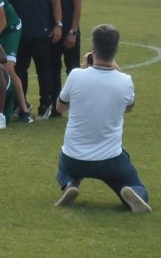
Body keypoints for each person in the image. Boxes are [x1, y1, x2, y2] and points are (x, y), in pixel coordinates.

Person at [54, 24, 151, 214]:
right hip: (110, 161)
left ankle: (70, 183)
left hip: (74, 158)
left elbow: (60, 107)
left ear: (93, 48)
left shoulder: (76, 76)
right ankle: (132, 192)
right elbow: (128, 108)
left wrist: (84, 71)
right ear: (116, 49)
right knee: (138, 186)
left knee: (63, 166)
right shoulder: (125, 81)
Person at [3, 0, 62, 118]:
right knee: (20, 70)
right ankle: (22, 104)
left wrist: (58, 25)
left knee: (44, 70)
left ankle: (45, 105)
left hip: (42, 33)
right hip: (19, 34)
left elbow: (56, 2)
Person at [47, 0, 86, 114]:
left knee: (73, 70)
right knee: (52, 68)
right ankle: (55, 106)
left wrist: (73, 31)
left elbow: (77, 6)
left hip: (69, 29)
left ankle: (77, 107)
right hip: (50, 30)